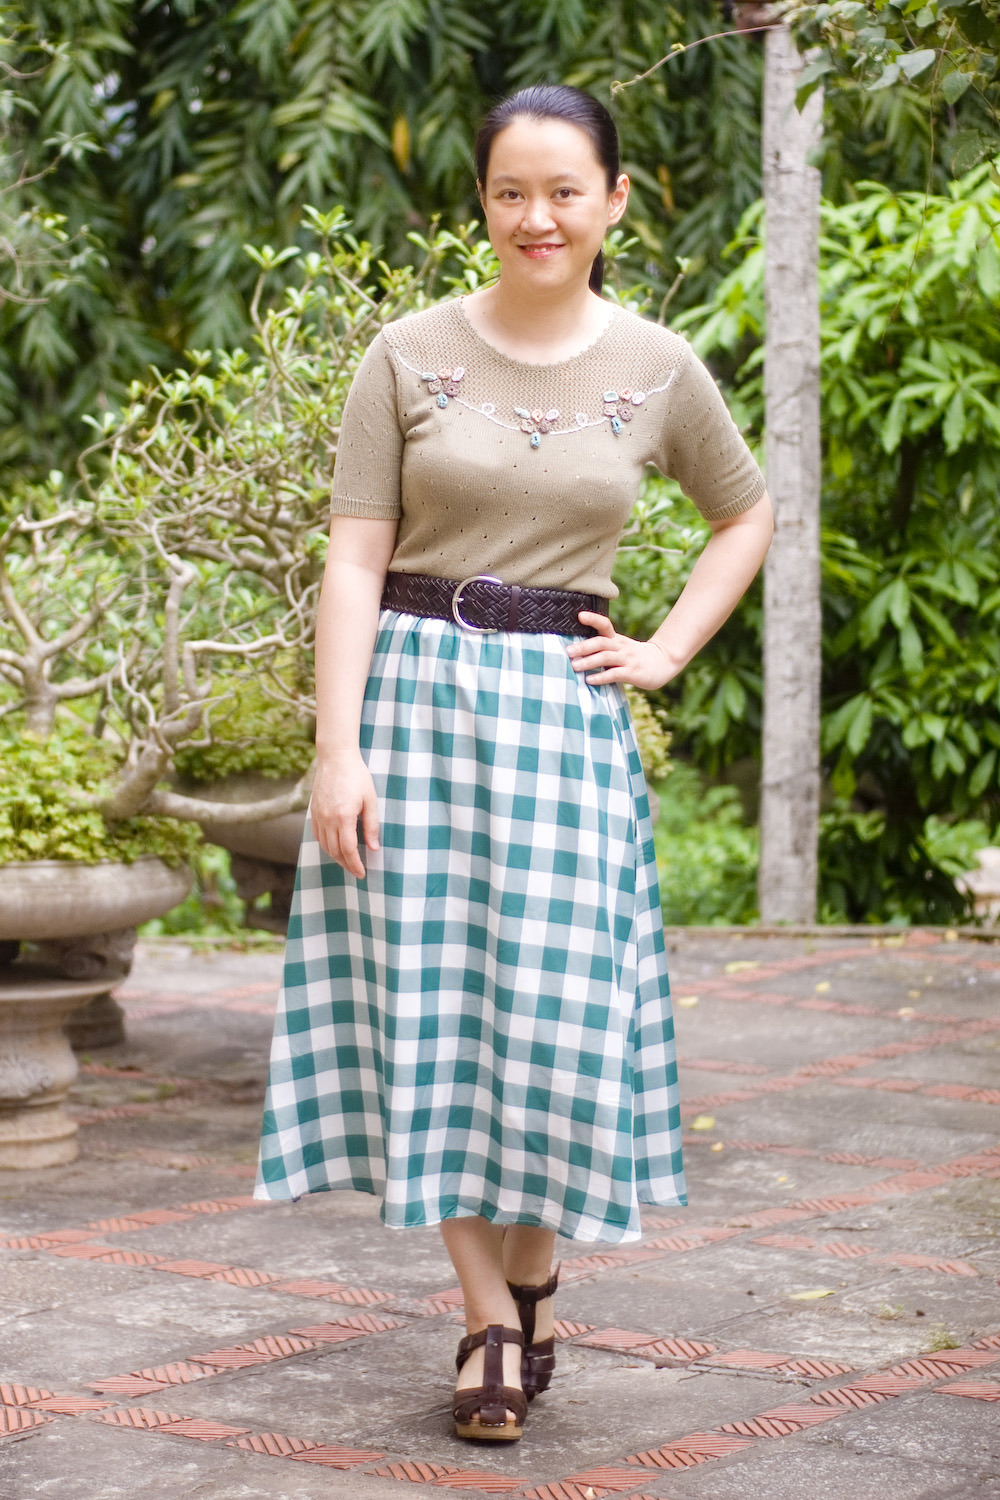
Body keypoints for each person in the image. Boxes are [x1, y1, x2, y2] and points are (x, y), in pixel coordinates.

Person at [254, 84, 774, 1443]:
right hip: (413, 709)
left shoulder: (658, 366)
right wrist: (336, 749)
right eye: (509, 193)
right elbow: (354, 556)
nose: (536, 217)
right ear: (481, 202)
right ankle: (488, 1317)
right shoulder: (405, 355)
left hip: (562, 717)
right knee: (427, 1011)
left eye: (563, 191)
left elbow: (745, 511)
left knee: (552, 1018)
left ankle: (534, 1274)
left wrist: (667, 649)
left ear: (614, 200)